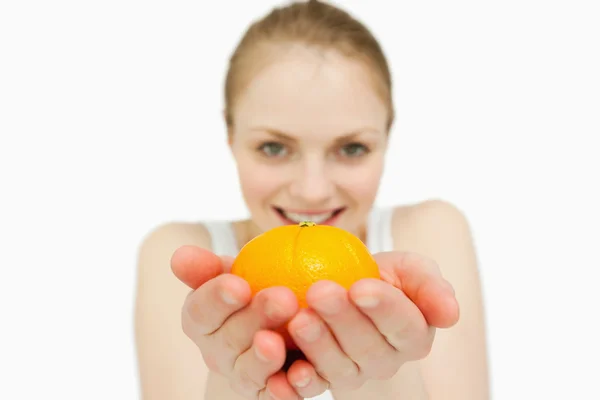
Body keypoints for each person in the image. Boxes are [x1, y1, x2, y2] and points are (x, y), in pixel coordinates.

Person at [134, 1, 489, 399]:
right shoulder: (181, 256)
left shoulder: (429, 232)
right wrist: (234, 384)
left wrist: (382, 377)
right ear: (230, 136)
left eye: (352, 148)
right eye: (273, 147)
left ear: (387, 138)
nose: (312, 190)